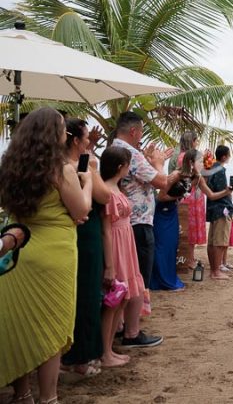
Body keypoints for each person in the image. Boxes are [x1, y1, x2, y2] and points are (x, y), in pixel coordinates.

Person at [0, 107, 93, 404]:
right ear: (54, 134)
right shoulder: (62, 168)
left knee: (21, 325)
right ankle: (49, 398)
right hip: (55, 255)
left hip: (19, 253)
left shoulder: (10, 168)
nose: (66, 134)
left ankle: (22, 393)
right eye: (63, 129)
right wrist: (87, 182)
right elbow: (81, 211)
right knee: (50, 329)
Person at [112, 111, 180, 348]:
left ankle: (121, 326)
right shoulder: (131, 153)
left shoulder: (114, 149)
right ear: (134, 131)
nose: (141, 136)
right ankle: (132, 332)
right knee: (137, 278)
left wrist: (153, 163)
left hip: (123, 223)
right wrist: (160, 165)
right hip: (138, 223)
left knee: (124, 277)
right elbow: (161, 182)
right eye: (141, 131)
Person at [60, 119, 112, 378]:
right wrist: (92, 169)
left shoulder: (55, 166)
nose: (90, 143)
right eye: (86, 139)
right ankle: (82, 356)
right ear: (77, 141)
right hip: (86, 235)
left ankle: (69, 354)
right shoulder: (77, 169)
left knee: (71, 296)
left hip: (67, 234)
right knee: (88, 294)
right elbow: (104, 197)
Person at [98, 145, 145, 368]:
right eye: (127, 165)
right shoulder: (107, 191)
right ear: (120, 167)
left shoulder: (116, 188)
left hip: (125, 242)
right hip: (116, 244)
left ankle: (109, 350)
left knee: (123, 296)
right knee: (113, 299)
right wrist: (109, 265)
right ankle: (105, 351)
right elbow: (106, 230)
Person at [205, 145, 233, 279]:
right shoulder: (219, 170)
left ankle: (214, 270)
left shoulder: (212, 168)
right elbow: (221, 192)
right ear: (224, 156)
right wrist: (231, 190)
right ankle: (216, 271)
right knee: (220, 242)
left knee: (213, 241)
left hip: (213, 208)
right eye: (229, 155)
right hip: (221, 208)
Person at [175, 132, 205, 272]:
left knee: (189, 228)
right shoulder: (187, 157)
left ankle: (189, 257)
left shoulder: (181, 156)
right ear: (191, 141)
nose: (196, 143)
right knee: (190, 228)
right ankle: (190, 258)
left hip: (189, 194)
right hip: (191, 195)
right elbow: (198, 174)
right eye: (195, 141)